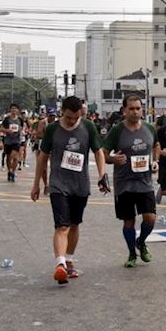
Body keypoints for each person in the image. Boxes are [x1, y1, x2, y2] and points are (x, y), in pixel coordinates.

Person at [31, 95, 109, 285]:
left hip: (80, 185)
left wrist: (102, 175)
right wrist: (36, 184)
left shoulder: (88, 127)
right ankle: (60, 265)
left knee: (74, 225)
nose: (73, 121)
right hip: (58, 185)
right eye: (68, 118)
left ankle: (69, 259)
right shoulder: (52, 130)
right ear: (61, 113)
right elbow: (43, 157)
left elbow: (98, 152)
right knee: (62, 226)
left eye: (76, 117)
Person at [103, 93, 160, 268]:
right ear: (124, 110)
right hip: (124, 183)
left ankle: (141, 242)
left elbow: (156, 145)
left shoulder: (149, 128)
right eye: (131, 109)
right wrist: (113, 159)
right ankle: (131, 253)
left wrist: (155, 160)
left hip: (144, 182)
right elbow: (103, 153)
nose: (135, 112)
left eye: (138, 108)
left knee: (150, 218)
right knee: (129, 220)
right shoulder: (117, 130)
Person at [0, 104, 26, 182]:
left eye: (15, 108)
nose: (14, 110)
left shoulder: (20, 120)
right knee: (8, 157)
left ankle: (13, 172)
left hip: (16, 141)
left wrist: (20, 131)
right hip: (8, 141)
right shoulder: (7, 119)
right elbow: (1, 128)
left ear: (18, 110)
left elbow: (22, 127)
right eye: (12, 108)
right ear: (10, 110)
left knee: (15, 157)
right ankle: (9, 171)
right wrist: (7, 131)